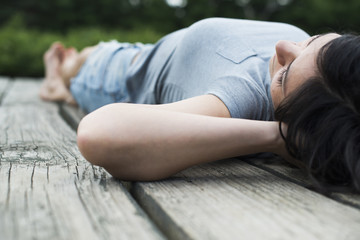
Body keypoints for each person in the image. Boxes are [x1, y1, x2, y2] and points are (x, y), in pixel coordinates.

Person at [39, 18, 360, 192]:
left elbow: (100, 133)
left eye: (285, 72)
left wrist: (279, 136)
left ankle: (58, 80)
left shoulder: (244, 95)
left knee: (82, 61)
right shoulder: (335, 75)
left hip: (120, 73)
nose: (283, 45)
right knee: (92, 52)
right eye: (314, 40)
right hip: (152, 50)